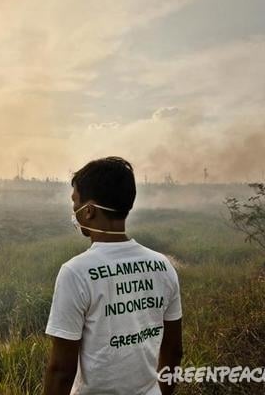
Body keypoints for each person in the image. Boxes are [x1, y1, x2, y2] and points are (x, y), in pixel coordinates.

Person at [42, 157, 183, 395]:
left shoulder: (75, 273)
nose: (73, 210)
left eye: (75, 202)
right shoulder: (163, 266)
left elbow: (61, 371)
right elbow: (174, 351)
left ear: (88, 211)